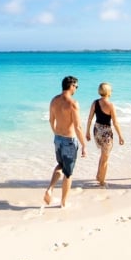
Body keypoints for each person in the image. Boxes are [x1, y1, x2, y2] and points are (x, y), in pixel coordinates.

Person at [44, 76, 87, 208]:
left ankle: (50, 188)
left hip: (57, 138)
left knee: (60, 165)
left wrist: (56, 133)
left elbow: (51, 120)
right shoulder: (73, 103)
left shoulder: (54, 100)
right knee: (68, 173)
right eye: (76, 86)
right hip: (69, 140)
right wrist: (84, 144)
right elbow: (78, 127)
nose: (76, 89)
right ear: (71, 86)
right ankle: (63, 203)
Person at [85, 82, 125, 187]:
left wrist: (87, 132)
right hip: (106, 133)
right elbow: (115, 123)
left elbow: (90, 118)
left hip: (96, 131)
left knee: (103, 155)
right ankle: (102, 182)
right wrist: (120, 136)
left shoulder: (95, 103)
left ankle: (99, 175)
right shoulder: (110, 105)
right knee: (105, 158)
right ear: (108, 92)